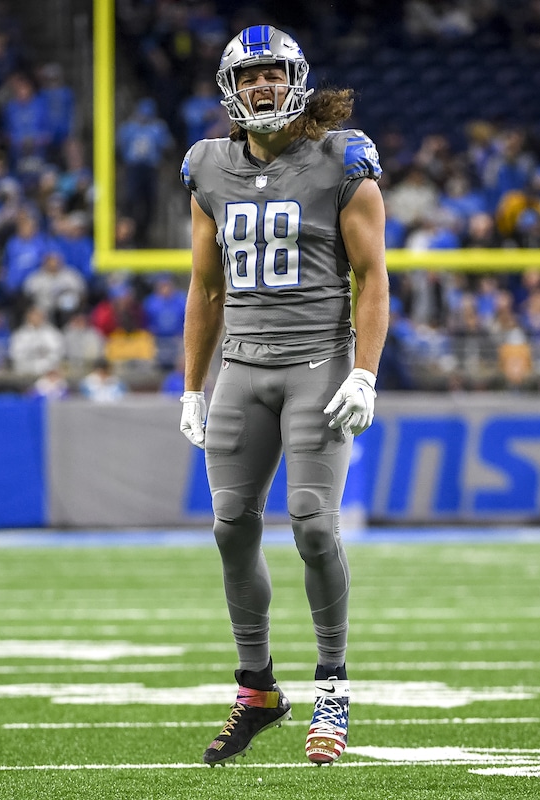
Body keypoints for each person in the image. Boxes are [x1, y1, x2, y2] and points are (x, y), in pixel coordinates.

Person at [178, 25, 389, 767]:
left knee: (312, 527)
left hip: (317, 364)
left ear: (296, 80)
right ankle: (258, 689)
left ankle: (332, 685)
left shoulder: (342, 158)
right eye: (250, 76)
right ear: (230, 90)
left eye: (273, 73)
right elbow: (205, 288)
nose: (262, 86)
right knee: (231, 527)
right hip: (241, 364)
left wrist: (364, 371)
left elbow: (373, 279)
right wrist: (192, 386)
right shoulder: (206, 165)